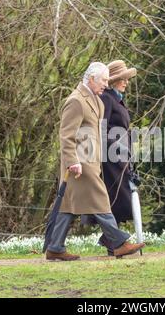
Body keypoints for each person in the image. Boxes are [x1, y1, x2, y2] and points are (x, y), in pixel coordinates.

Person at [45, 62, 145, 261]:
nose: (106, 85)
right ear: (91, 79)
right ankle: (119, 243)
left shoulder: (97, 100)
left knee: (67, 206)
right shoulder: (76, 100)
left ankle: (55, 247)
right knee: (101, 199)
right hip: (79, 163)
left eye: (108, 81)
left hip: (91, 161)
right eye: (104, 81)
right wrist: (72, 161)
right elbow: (66, 135)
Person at [97, 60, 138, 255]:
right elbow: (101, 128)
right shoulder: (107, 98)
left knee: (121, 199)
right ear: (113, 81)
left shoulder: (117, 98)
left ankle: (112, 242)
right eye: (123, 79)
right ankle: (114, 243)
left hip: (121, 157)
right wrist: (116, 148)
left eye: (127, 79)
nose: (126, 82)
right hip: (111, 158)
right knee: (118, 199)